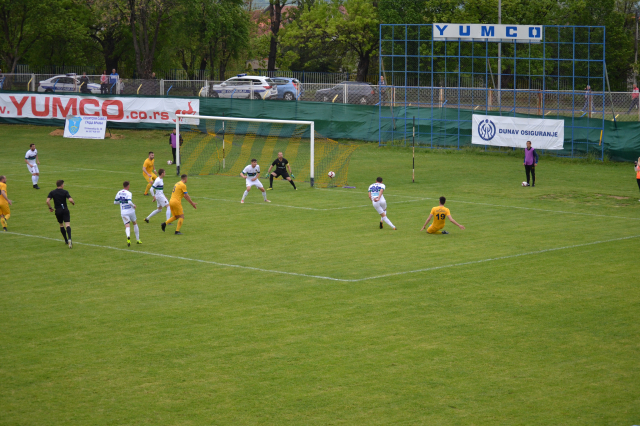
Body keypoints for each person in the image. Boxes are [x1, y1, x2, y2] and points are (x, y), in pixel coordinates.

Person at [46, 180, 75, 248]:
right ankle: (70, 238)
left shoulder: (52, 192)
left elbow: (47, 201)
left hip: (58, 210)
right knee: (67, 224)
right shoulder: (65, 191)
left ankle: (66, 240)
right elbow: (70, 200)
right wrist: (73, 202)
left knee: (61, 225)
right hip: (65, 210)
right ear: (62, 185)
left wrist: (50, 208)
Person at [114, 181, 141, 247]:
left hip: (123, 212)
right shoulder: (129, 193)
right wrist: (133, 205)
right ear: (128, 186)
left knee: (127, 225)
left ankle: (128, 236)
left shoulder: (119, 192)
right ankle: (138, 240)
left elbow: (115, 202)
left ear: (123, 186)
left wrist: (121, 202)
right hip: (131, 211)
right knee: (134, 223)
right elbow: (129, 202)